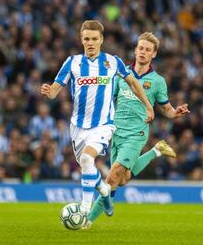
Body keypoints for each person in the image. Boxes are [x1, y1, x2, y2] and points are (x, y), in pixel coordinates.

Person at [40, 20, 154, 216]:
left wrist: (148, 105)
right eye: (86, 39)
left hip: (103, 125)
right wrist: (48, 91)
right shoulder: (72, 62)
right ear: (81, 40)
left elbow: (134, 83)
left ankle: (83, 211)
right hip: (78, 126)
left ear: (101, 40)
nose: (90, 43)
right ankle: (103, 190)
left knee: (86, 159)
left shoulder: (112, 62)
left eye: (94, 39)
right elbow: (55, 91)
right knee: (87, 166)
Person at [86, 32, 190, 228]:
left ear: (154, 54)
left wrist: (176, 112)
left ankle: (87, 220)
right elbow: (108, 100)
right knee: (122, 180)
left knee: (112, 175)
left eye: (148, 50)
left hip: (137, 134)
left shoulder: (157, 81)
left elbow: (166, 109)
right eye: (141, 48)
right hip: (116, 132)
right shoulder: (120, 74)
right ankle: (156, 151)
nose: (143, 52)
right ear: (135, 50)